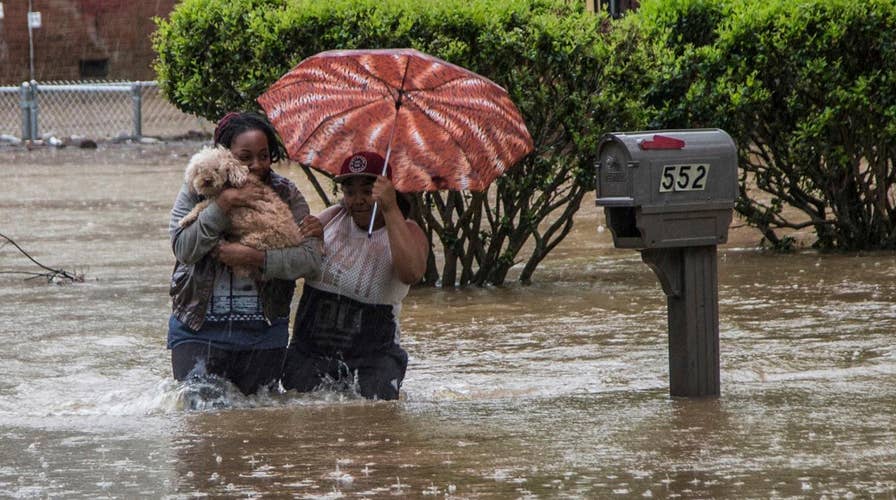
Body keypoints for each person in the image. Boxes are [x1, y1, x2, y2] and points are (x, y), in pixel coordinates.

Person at [166, 111, 323, 396]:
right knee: (200, 419)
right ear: (224, 155)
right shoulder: (198, 185)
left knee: (256, 427)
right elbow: (183, 249)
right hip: (197, 328)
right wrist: (222, 205)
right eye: (245, 157)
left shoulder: (286, 193)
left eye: (264, 156)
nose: (257, 165)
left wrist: (257, 259)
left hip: (262, 333)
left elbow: (311, 261)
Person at [281, 151, 428, 400]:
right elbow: (288, 259)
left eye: (368, 191)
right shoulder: (332, 218)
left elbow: (411, 273)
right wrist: (310, 235)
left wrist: (391, 209)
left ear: (386, 190)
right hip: (310, 353)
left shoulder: (408, 230)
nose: (358, 200)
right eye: (350, 192)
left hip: (374, 359)